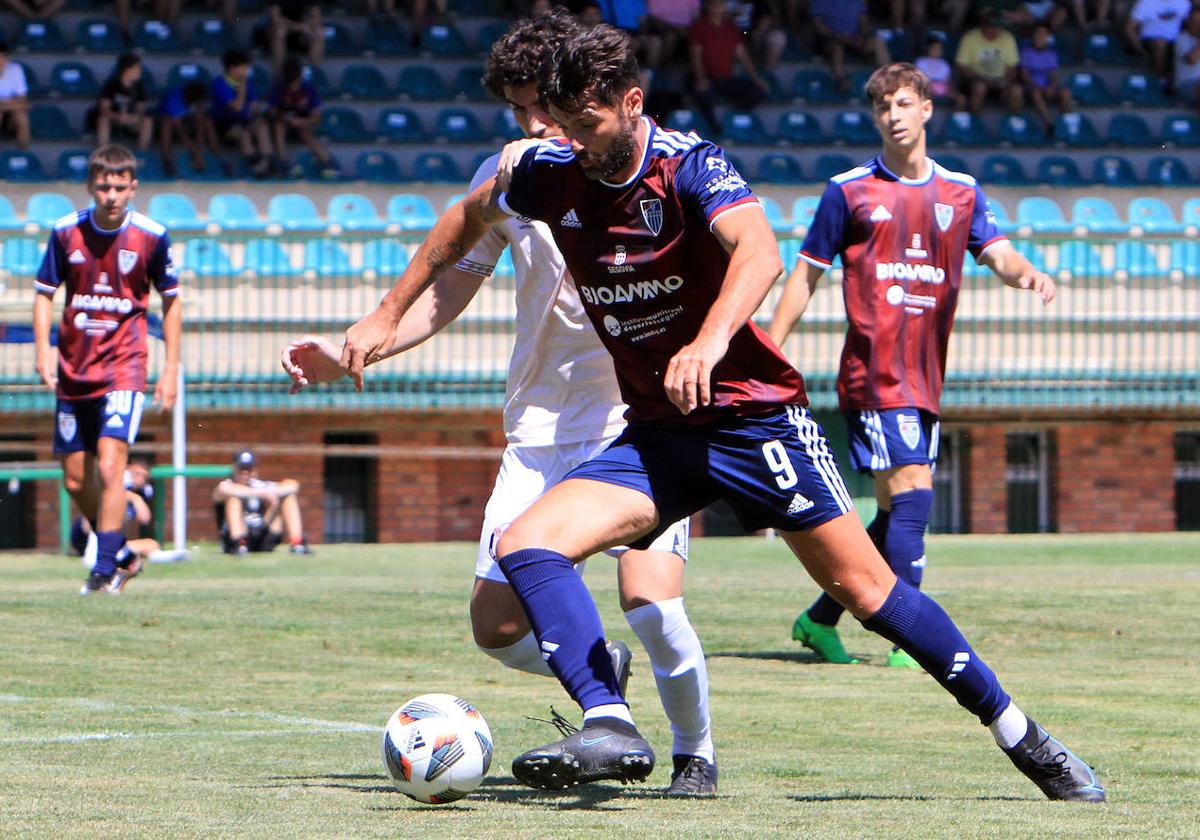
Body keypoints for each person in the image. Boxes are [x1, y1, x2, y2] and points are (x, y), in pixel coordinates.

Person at [332, 25, 1105, 802]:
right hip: (661, 436)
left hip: (754, 422)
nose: (568, 139)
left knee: (870, 595)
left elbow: (760, 251)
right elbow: (465, 218)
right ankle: (609, 720)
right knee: (526, 543)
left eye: (584, 123)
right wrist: (380, 320)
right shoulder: (550, 171)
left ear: (631, 103)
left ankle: (1024, 737)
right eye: (557, 123)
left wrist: (707, 341)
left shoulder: (686, 163)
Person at [281, 9, 718, 797]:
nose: (530, 123)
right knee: (496, 626)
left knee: (648, 602)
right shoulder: (510, 174)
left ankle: (695, 754)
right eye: (516, 109)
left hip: (637, 420)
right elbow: (453, 282)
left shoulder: (643, 161)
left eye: (540, 105)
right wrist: (366, 343)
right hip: (540, 428)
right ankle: (599, 671)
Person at [768, 61, 1059, 669]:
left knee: (893, 510)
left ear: (927, 108)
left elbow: (998, 252)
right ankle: (911, 637)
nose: (893, 116)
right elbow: (806, 274)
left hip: (926, 376)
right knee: (915, 500)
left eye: (903, 104)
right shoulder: (848, 190)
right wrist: (770, 345)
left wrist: (1026, 272)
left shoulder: (961, 191)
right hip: (874, 372)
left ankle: (819, 619)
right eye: (883, 107)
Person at [33, 144, 182, 595]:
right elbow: (44, 293)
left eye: (120, 186)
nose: (111, 195)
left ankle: (102, 572)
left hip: (125, 368)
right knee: (75, 477)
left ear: (133, 187)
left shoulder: (152, 236)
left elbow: (171, 301)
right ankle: (119, 553)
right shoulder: (65, 233)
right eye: (103, 186)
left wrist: (171, 366)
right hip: (74, 369)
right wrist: (42, 350)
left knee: (111, 465)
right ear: (90, 187)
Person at [688, 0, 771, 135]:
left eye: (720, 4)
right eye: (713, 4)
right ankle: (714, 128)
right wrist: (701, 78)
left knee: (759, 92)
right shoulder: (699, 26)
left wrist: (756, 79)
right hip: (708, 77)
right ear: (708, 6)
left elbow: (742, 55)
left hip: (726, 78)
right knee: (702, 93)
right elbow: (696, 55)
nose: (717, 7)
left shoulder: (730, 27)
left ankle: (732, 117)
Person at [212, 448, 313, 555]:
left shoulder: (259, 485)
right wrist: (260, 493)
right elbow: (223, 491)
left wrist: (272, 498)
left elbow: (293, 485)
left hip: (262, 533)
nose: (245, 472)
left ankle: (297, 544)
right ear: (234, 468)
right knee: (234, 499)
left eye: (249, 469)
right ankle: (239, 544)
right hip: (237, 537)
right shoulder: (226, 485)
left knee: (288, 497)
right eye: (241, 469)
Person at [267, 56, 337, 179]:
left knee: (305, 132)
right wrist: (284, 118)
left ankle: (329, 165)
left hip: (302, 124)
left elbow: (317, 118)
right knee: (279, 127)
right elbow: (272, 112)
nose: (293, 86)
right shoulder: (279, 88)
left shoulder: (308, 89)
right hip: (284, 123)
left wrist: (301, 121)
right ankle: (285, 165)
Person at [210, 48, 274, 179]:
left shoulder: (248, 83)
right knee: (242, 133)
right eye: (244, 67)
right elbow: (237, 107)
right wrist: (242, 88)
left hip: (244, 120)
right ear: (232, 67)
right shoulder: (220, 84)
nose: (246, 70)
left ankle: (267, 162)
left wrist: (262, 114)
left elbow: (253, 106)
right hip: (224, 123)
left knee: (262, 126)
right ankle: (257, 166)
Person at [808, 0, 890, 94]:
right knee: (837, 48)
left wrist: (861, 36)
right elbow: (819, 26)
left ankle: (887, 79)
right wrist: (838, 37)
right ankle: (841, 80)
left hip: (854, 40)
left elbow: (863, 21)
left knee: (877, 42)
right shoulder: (819, 2)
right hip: (831, 40)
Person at [955, 9, 1023, 114]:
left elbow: (1012, 67)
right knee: (980, 87)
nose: (996, 30)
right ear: (984, 25)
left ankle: (1014, 125)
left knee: (1017, 90)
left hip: (1000, 81)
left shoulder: (1008, 38)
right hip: (976, 80)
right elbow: (961, 66)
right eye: (993, 27)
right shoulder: (970, 37)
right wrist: (982, 79)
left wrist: (1005, 80)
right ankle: (975, 122)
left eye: (998, 27)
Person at [157, 80, 220, 179]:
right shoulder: (174, 100)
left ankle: (217, 154)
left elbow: (200, 125)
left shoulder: (197, 101)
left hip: (186, 120)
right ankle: (167, 157)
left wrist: (199, 150)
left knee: (207, 121)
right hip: (166, 121)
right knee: (167, 123)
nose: (201, 104)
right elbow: (181, 132)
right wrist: (195, 152)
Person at [1019, 23, 1074, 134]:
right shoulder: (1026, 52)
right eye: (1038, 34)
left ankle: (1066, 123)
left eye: (1043, 35)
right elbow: (1024, 75)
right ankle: (1048, 122)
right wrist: (1036, 85)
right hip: (1032, 86)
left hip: (1046, 85)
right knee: (1036, 93)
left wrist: (1051, 86)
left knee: (1066, 93)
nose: (1040, 37)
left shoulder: (1051, 54)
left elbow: (1053, 75)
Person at [94, 53, 153, 151]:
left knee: (147, 121)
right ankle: (103, 153)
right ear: (127, 69)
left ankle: (142, 154)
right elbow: (104, 108)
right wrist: (118, 116)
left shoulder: (139, 86)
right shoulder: (111, 85)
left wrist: (134, 117)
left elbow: (141, 108)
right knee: (103, 120)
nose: (139, 71)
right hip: (114, 120)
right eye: (136, 68)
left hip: (131, 121)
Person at [0, 42, 31, 150]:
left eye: (3, 57)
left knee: (22, 117)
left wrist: (4, 104)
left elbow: (23, 101)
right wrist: (12, 103)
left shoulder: (16, 70)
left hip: (11, 115)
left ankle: (24, 153)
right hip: (8, 109)